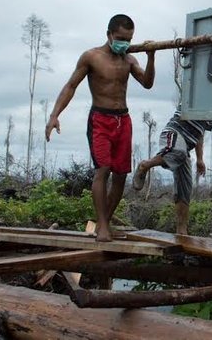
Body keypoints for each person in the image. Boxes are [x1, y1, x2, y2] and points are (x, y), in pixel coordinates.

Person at [45, 14, 155, 242]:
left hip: (123, 120)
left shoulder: (129, 60)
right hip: (100, 120)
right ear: (109, 35)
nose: (124, 43)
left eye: (129, 38)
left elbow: (147, 83)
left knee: (121, 174)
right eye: (120, 38)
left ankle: (104, 222)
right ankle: (103, 226)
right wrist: (54, 115)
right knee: (103, 169)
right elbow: (71, 85)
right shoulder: (91, 57)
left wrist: (151, 56)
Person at [132, 108, 212, 235]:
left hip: (185, 147)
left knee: (185, 187)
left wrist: (200, 159)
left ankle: (182, 231)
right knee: (178, 153)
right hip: (173, 133)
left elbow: (200, 134)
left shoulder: (211, 113)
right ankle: (145, 165)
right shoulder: (194, 97)